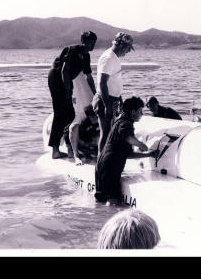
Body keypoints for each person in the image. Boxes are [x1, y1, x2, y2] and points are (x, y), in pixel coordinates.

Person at [94, 97, 158, 204]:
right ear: (133, 112)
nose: (141, 114)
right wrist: (141, 144)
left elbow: (128, 154)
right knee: (112, 201)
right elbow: (128, 137)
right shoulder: (125, 122)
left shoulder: (119, 121)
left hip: (104, 164)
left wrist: (149, 155)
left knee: (102, 200)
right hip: (110, 166)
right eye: (140, 111)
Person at [48, 31, 97, 159]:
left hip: (66, 81)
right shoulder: (74, 50)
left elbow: (89, 77)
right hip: (57, 78)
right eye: (89, 41)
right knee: (60, 112)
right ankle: (55, 151)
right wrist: (68, 91)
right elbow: (64, 70)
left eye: (94, 42)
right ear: (83, 41)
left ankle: (69, 147)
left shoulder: (86, 56)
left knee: (70, 114)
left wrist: (95, 95)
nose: (92, 45)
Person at [93, 32, 134, 156]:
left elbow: (112, 82)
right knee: (106, 133)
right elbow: (102, 83)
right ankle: (101, 162)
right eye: (127, 49)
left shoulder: (113, 57)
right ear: (121, 45)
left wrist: (119, 99)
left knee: (109, 132)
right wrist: (107, 106)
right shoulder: (109, 58)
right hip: (106, 100)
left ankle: (106, 158)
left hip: (112, 100)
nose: (127, 52)